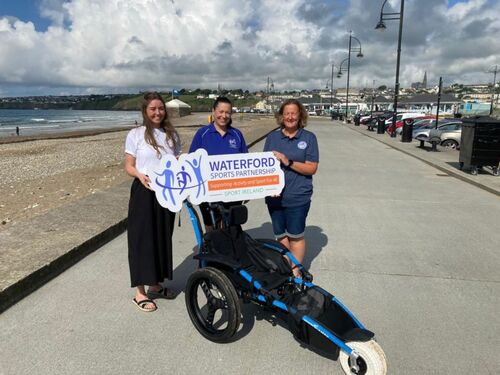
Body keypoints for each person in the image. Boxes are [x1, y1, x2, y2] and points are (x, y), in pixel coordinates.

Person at [124, 92, 181, 312]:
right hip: (144, 192)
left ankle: (155, 285)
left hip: (167, 193)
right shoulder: (136, 134)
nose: (158, 112)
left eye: (161, 108)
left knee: (161, 238)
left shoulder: (171, 135)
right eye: (153, 109)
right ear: (145, 111)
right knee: (141, 240)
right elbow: (129, 165)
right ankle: (140, 292)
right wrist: (139, 175)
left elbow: (177, 161)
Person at [264, 99, 319, 278]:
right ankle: (285, 267)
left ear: (300, 115)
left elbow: (312, 168)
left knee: (296, 236)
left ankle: (295, 272)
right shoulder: (272, 137)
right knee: (281, 236)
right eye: (286, 113)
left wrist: (288, 162)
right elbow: (263, 166)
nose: (290, 117)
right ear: (281, 116)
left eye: (293, 113)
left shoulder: (308, 138)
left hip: (298, 196)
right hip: (275, 198)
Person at [189, 96, 248, 232]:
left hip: (233, 190)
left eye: (227, 112)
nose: (224, 116)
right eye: (221, 111)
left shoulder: (237, 134)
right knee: (211, 226)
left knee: (232, 225)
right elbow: (192, 162)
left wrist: (248, 189)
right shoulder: (202, 134)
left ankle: (231, 251)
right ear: (213, 112)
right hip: (207, 190)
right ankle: (212, 249)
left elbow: (246, 163)